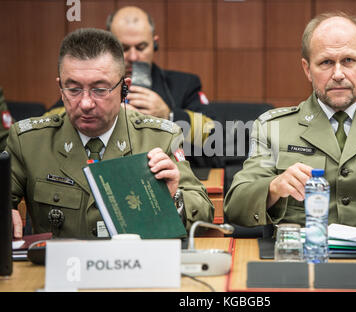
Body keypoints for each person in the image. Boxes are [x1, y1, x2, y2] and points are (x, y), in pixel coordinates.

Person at [224, 12, 356, 232]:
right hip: (304, 260)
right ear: (307, 69)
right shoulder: (272, 128)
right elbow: (236, 206)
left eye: (349, 61)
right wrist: (273, 188)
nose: (338, 74)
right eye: (326, 62)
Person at [7, 28, 214, 239]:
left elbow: (204, 212)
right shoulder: (29, 142)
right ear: (61, 88)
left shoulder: (160, 137)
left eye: (99, 89)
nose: (86, 103)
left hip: (135, 267)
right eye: (74, 89)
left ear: (125, 89)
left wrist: (173, 199)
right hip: (60, 268)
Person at [46, 6, 216, 167]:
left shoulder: (184, 84)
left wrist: (169, 115)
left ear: (154, 44)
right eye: (124, 48)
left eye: (141, 47)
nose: (133, 57)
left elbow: (216, 139)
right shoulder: (86, 83)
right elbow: (50, 125)